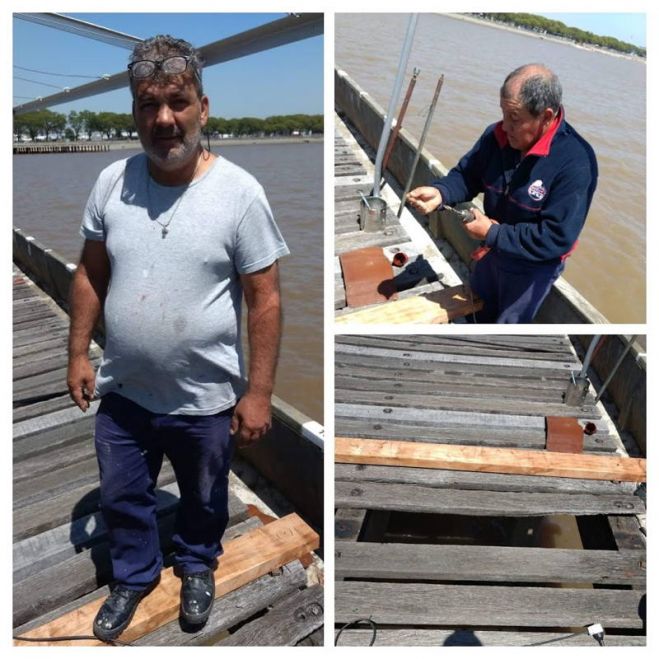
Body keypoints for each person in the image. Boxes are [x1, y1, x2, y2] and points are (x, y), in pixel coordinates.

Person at [66, 35, 289, 641]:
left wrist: (259, 392)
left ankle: (195, 563)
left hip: (205, 396)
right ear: (134, 111)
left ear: (203, 107)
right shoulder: (112, 181)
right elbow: (90, 272)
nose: (164, 119)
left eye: (178, 102)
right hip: (126, 391)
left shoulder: (241, 195)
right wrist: (78, 352)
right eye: (148, 104)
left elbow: (264, 297)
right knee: (122, 495)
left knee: (204, 495)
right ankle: (133, 576)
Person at [407, 63, 598, 323]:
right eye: (503, 114)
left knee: (507, 328)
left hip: (533, 267)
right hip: (492, 248)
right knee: (478, 308)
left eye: (515, 118)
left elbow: (556, 238)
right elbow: (467, 175)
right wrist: (441, 193)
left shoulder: (576, 162)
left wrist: (492, 232)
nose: (505, 126)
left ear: (546, 116)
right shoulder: (496, 136)